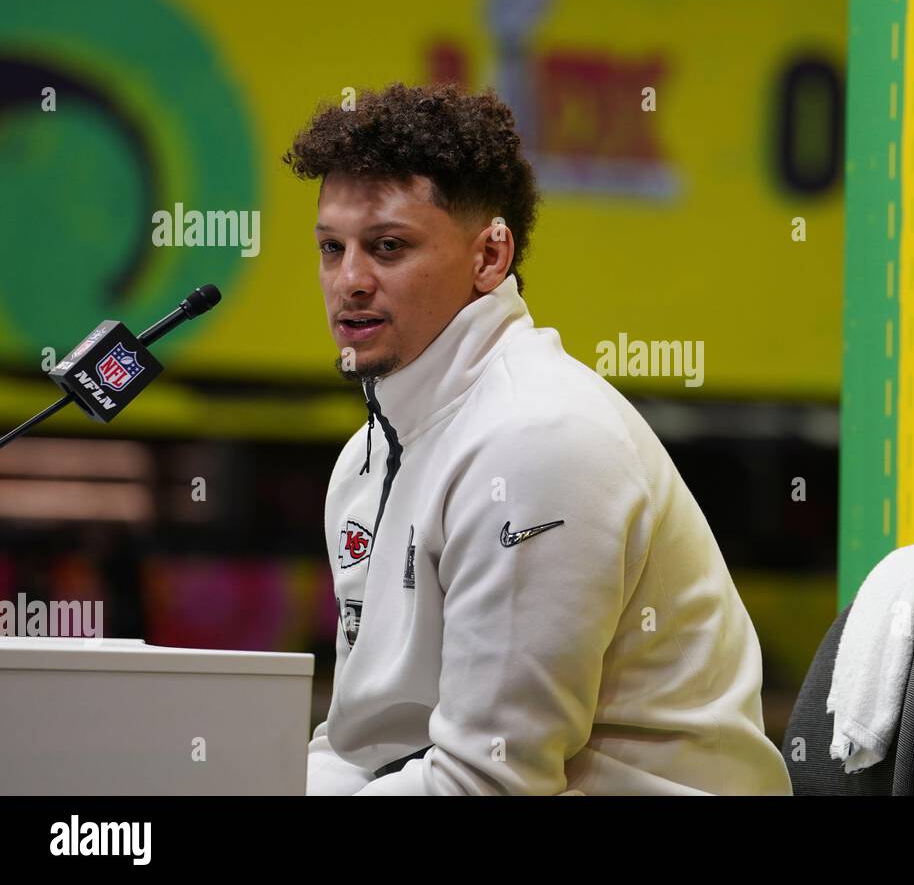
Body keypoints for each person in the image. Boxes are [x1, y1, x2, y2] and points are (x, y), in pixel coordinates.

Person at [284, 82, 792, 795]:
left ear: (490, 257)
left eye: (388, 247)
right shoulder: (367, 458)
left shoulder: (536, 441)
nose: (350, 281)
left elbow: (488, 784)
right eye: (331, 248)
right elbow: (362, 746)